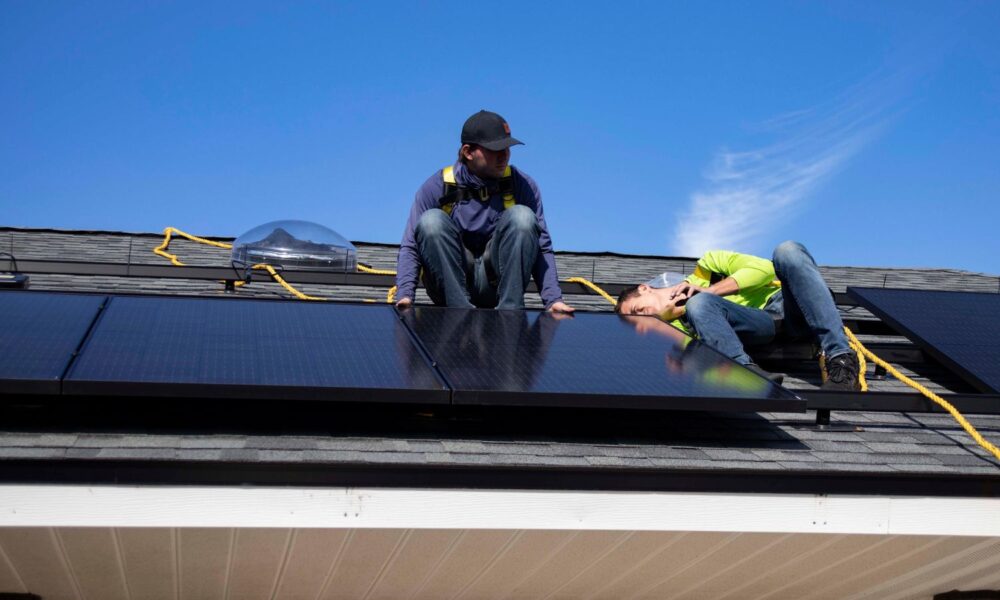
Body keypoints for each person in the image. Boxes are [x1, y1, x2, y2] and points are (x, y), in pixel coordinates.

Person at [614, 241, 862, 390]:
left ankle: (840, 360)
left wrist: (710, 290)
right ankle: (746, 372)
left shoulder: (709, 265)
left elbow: (765, 270)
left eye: (638, 310)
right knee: (699, 305)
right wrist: (670, 317)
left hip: (793, 306)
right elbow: (691, 360)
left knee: (788, 250)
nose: (643, 317)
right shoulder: (673, 329)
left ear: (644, 288)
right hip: (763, 325)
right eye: (637, 320)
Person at [394, 110, 574, 313]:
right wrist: (405, 294)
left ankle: (510, 316)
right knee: (431, 222)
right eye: (495, 149)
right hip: (453, 287)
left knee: (523, 217)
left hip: (495, 284)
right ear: (468, 152)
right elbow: (411, 246)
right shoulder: (438, 186)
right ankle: (458, 315)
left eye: (507, 147)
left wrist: (553, 299)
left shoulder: (521, 185)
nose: (504, 155)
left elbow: (542, 246)